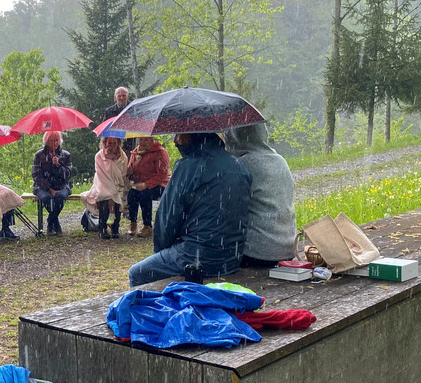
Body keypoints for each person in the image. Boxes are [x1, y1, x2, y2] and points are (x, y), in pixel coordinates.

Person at [128, 132, 251, 287]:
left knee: (137, 273)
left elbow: (167, 218)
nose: (175, 140)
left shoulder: (188, 166)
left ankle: (160, 303)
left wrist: (161, 250)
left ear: (192, 135)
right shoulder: (239, 166)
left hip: (197, 256)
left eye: (178, 135)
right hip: (231, 258)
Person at [225, 123, 297, 266]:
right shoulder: (280, 160)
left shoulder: (242, 164)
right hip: (288, 249)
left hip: (257, 254)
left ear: (235, 137)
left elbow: (228, 209)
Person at [80, 137, 129, 239]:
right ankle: (102, 228)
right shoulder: (99, 156)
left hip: (118, 185)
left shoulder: (123, 156)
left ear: (118, 143)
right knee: (104, 196)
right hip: (101, 184)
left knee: (116, 196)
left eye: (114, 143)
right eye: (109, 143)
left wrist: (114, 161)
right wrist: (109, 160)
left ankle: (115, 228)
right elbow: (101, 175)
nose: (111, 145)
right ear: (104, 143)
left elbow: (123, 174)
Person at [126, 135, 171, 237]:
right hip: (141, 183)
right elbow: (132, 174)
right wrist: (130, 173)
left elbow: (162, 174)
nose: (143, 142)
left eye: (146, 140)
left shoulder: (160, 152)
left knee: (145, 194)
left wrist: (147, 184)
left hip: (160, 184)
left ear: (152, 140)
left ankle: (147, 226)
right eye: (141, 139)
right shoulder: (135, 152)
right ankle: (133, 222)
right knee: (132, 194)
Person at [31, 131, 73, 236]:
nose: (55, 143)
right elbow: (36, 175)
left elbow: (67, 175)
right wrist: (49, 189)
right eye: (51, 140)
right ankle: (56, 223)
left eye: (56, 140)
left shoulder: (66, 155)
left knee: (60, 197)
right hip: (43, 187)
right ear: (46, 141)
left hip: (61, 186)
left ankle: (51, 221)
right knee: (46, 198)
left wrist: (57, 165)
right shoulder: (39, 155)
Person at [105, 86, 137, 153]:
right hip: (114, 147)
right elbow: (105, 129)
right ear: (115, 97)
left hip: (132, 147)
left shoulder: (135, 110)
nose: (121, 98)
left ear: (128, 96)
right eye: (119, 96)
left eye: (124, 95)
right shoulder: (109, 111)